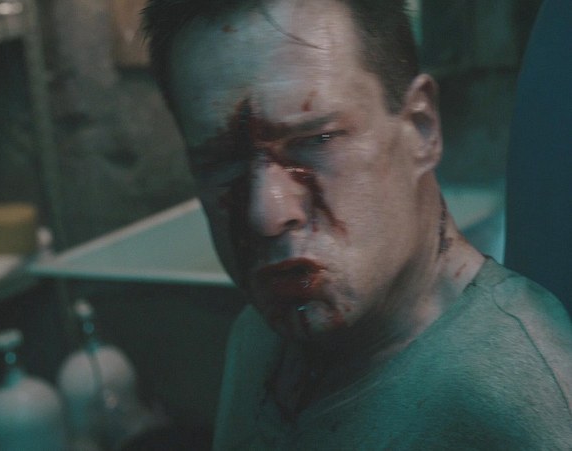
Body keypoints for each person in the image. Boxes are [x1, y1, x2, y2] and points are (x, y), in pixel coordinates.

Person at [142, 0, 572, 448]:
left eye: (317, 140)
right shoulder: (258, 336)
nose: (266, 215)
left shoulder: (518, 401)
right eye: (219, 161)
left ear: (421, 128)